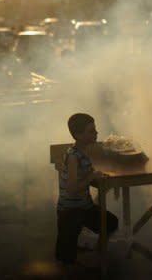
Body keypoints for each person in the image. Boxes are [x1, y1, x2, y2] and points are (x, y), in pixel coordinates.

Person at [55, 113, 119, 266]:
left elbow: (87, 174)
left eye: (95, 129)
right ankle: (76, 258)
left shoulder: (84, 152)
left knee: (111, 222)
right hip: (69, 211)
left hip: (84, 207)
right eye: (91, 131)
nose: (96, 133)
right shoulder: (73, 156)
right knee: (66, 258)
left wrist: (101, 178)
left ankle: (97, 253)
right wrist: (91, 177)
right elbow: (72, 189)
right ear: (78, 135)